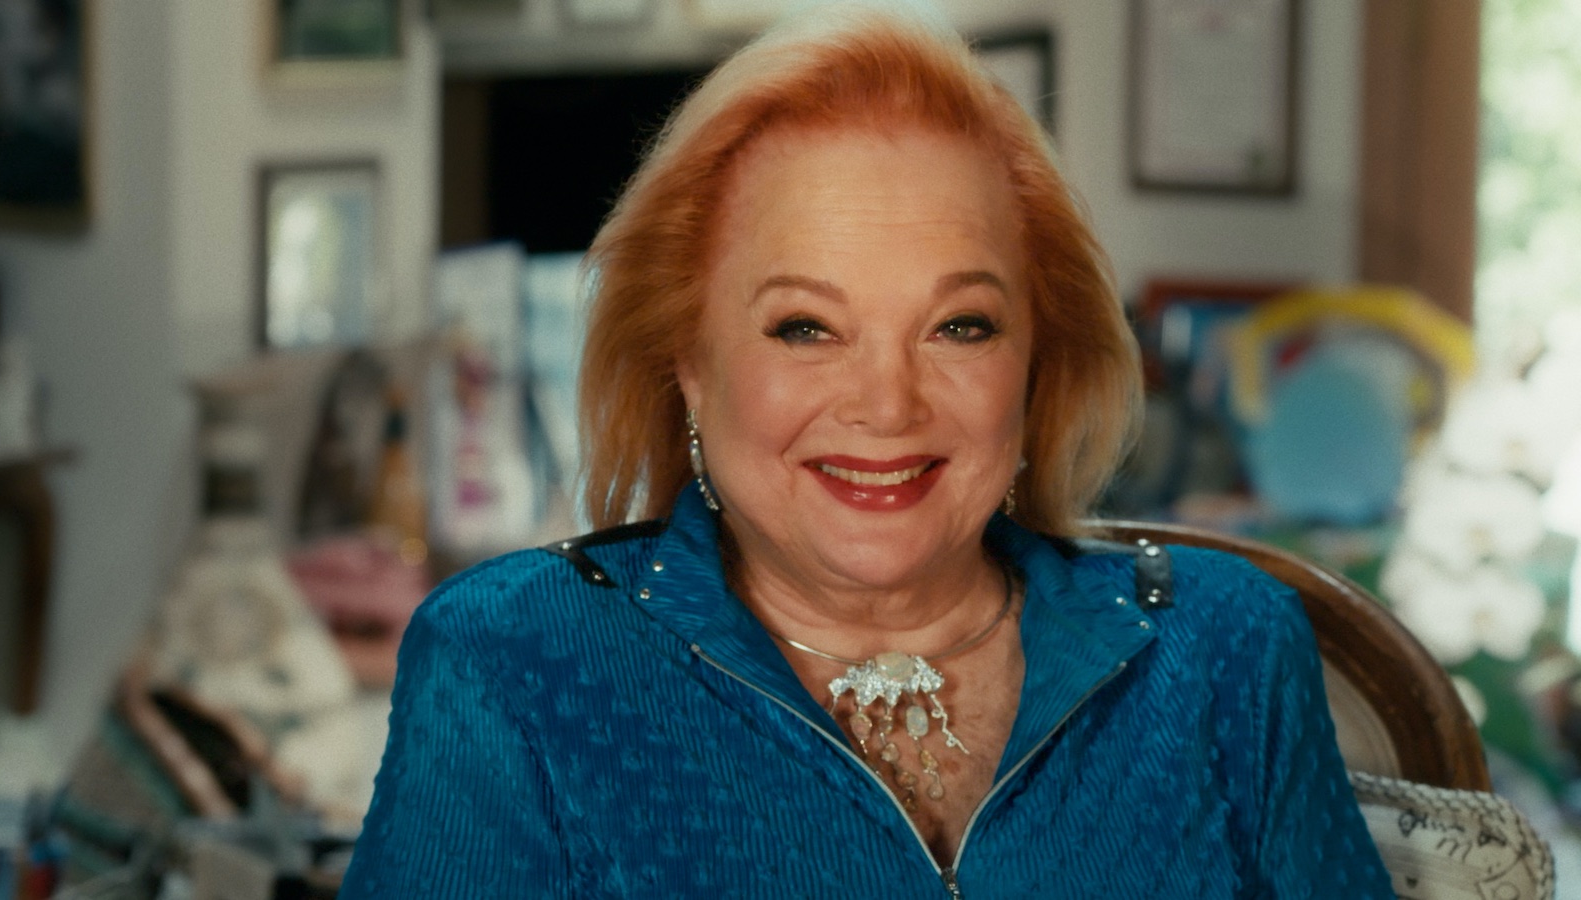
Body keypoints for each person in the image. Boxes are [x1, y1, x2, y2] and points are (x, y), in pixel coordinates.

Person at [341, 6, 1393, 897]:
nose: (888, 405)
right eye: (805, 328)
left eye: (960, 326)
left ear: (1038, 359)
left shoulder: (1229, 647)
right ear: (690, 363)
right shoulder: (512, 662)